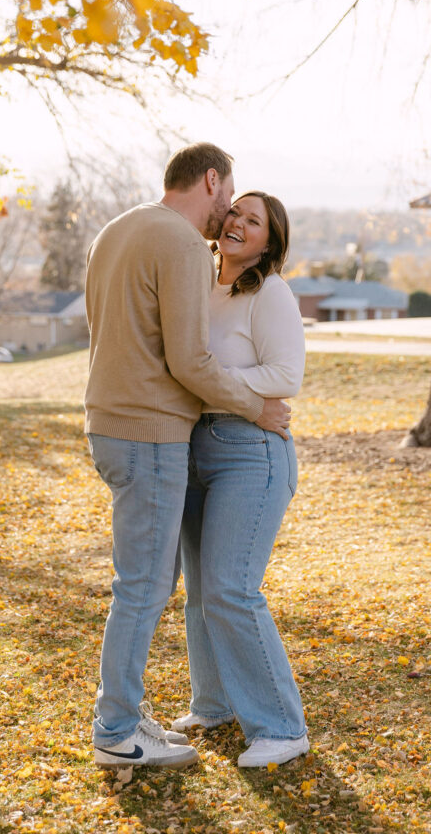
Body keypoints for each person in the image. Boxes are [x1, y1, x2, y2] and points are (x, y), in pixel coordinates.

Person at [85, 144, 292, 769]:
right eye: (227, 200)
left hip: (111, 423)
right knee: (144, 587)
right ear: (210, 180)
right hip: (149, 433)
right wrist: (256, 407)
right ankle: (118, 730)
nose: (225, 215)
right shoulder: (178, 243)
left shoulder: (115, 230)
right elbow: (190, 361)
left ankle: (130, 715)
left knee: (145, 582)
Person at [171, 191, 309, 767]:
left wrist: (208, 376)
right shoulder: (199, 282)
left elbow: (286, 375)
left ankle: (281, 727)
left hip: (250, 450)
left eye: (254, 222)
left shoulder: (269, 293)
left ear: (267, 244)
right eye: (236, 212)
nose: (238, 223)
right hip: (194, 447)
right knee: (201, 589)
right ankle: (215, 703)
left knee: (232, 588)